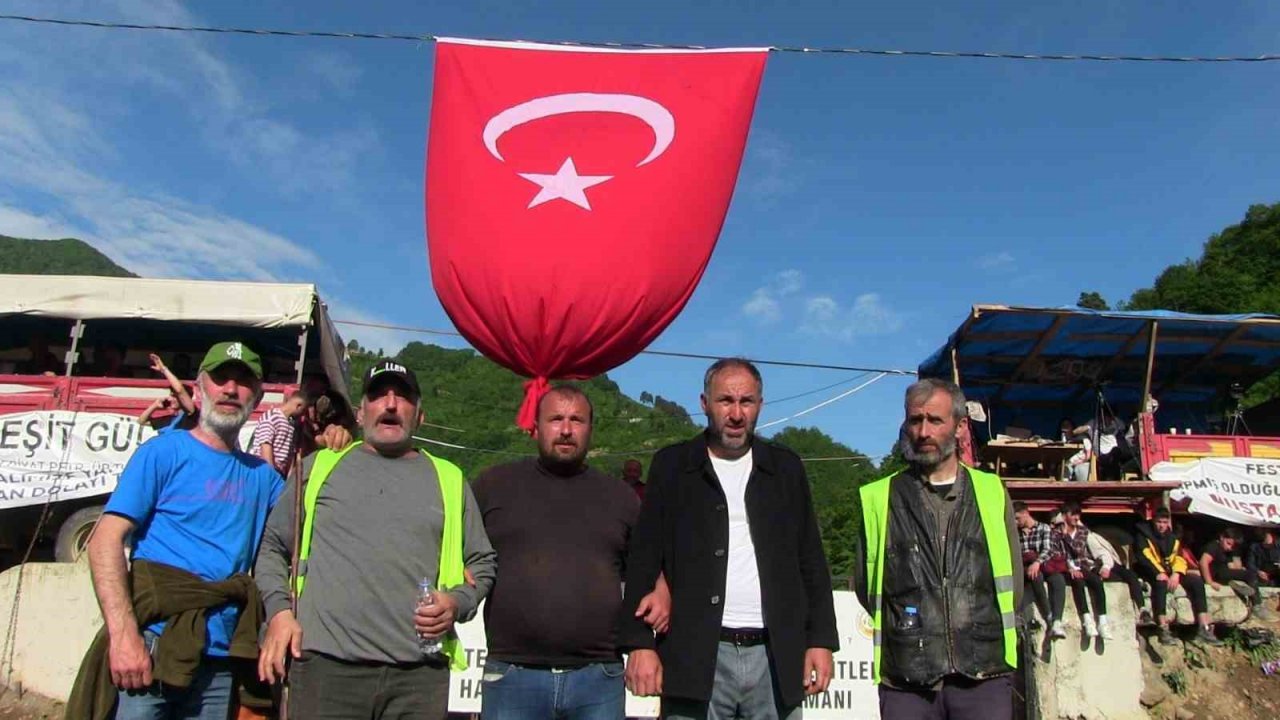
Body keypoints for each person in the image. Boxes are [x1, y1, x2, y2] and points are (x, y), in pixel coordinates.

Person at [255, 359, 496, 719]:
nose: (391, 403)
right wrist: (279, 614)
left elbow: (482, 562)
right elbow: (273, 548)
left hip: (418, 679)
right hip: (325, 671)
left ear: (420, 416)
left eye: (403, 396)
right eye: (379, 394)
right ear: (360, 412)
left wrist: (458, 602)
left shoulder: (450, 479)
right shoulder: (320, 467)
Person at [69, 341, 284, 719]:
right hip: (153, 644)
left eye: (243, 381)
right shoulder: (163, 452)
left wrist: (335, 447)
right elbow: (104, 540)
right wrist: (123, 637)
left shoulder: (264, 478)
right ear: (200, 386)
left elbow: (304, 533)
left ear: (259, 395)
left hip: (221, 656)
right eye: (220, 379)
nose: (230, 390)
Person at [620, 358, 838, 719]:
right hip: (695, 654)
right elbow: (644, 557)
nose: (736, 413)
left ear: (760, 406)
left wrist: (820, 640)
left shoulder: (785, 468)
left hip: (774, 656)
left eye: (746, 402)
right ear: (705, 404)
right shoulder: (673, 466)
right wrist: (640, 644)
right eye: (725, 401)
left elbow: (810, 560)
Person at [472, 386, 669, 720]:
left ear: (590, 429)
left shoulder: (620, 496)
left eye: (577, 420)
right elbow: (459, 548)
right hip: (512, 675)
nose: (566, 429)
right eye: (556, 419)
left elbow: (646, 565)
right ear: (536, 425)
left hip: (598, 679)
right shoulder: (493, 485)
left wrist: (662, 587)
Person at [855, 378, 1022, 719]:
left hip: (983, 675)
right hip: (906, 680)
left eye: (935, 420)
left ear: (960, 427)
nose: (924, 431)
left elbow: (1013, 584)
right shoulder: (878, 497)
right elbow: (863, 584)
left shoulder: (991, 492)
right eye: (915, 420)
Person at [1134, 509, 1220, 646]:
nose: (1162, 526)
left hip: (1169, 571)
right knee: (1161, 583)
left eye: (1165, 522)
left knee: (1196, 581)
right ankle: (1163, 627)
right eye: (1159, 522)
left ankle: (1204, 627)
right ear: (1153, 521)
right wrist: (1159, 572)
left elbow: (1179, 557)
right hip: (1150, 570)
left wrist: (1177, 573)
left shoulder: (1172, 537)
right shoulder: (1143, 534)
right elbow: (1144, 557)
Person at [1014, 502, 1068, 639]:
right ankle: (1049, 617)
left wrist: (1037, 562)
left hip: (1043, 564)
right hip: (1027, 568)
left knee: (1058, 580)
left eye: (1018, 518)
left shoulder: (1043, 528)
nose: (1016, 522)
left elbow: (1048, 549)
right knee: (1035, 577)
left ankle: (1057, 621)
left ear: (1026, 513)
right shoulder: (1016, 532)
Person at [1200, 526, 1274, 621]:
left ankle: (1239, 585)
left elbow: (1231, 565)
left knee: (1249, 574)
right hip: (1217, 573)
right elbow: (1203, 562)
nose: (1229, 547)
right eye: (1228, 543)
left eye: (1232, 546)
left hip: (1223, 572)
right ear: (1222, 537)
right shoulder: (1213, 546)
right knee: (1250, 574)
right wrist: (1209, 581)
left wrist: (1240, 570)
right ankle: (1257, 604)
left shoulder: (1226, 551)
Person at [248, 388, 310, 477]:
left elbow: (289, 455)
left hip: (280, 474)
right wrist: (271, 474)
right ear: (298, 406)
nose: (302, 415)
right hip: (265, 471)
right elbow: (265, 446)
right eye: (303, 411)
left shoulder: (291, 426)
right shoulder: (272, 417)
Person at [137, 353, 198, 432]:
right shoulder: (169, 419)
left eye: (173, 396)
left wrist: (164, 370)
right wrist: (154, 406)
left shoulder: (191, 415)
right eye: (170, 396)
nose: (169, 399)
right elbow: (141, 422)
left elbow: (179, 391)